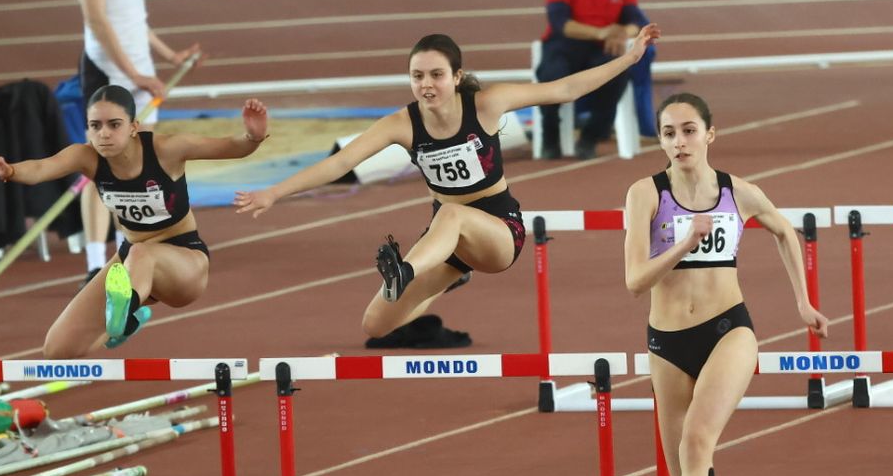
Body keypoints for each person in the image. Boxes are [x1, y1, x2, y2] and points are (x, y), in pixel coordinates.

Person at [234, 27, 659, 340]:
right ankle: (443, 274)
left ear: (456, 77)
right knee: (376, 326)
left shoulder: (487, 104)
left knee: (455, 212)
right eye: (417, 76)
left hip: (497, 228)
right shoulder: (403, 123)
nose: (426, 85)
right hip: (445, 237)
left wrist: (629, 59)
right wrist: (274, 192)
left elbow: (564, 89)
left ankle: (409, 270)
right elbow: (341, 162)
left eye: (436, 75)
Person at [624, 93, 828, 476]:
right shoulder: (646, 194)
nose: (679, 142)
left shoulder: (739, 193)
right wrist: (682, 243)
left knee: (697, 444)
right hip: (667, 343)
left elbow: (786, 231)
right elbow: (634, 280)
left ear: (710, 134)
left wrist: (802, 301)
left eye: (689, 131)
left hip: (727, 331)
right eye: (668, 133)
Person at [0, 87, 268, 356]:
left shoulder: (167, 149)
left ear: (133, 126)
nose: (103, 134)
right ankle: (129, 315)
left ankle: (124, 313)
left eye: (114, 124)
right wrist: (10, 170)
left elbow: (229, 147)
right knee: (57, 350)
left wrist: (253, 136)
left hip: (184, 260)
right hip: (130, 262)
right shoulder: (86, 156)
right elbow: (42, 167)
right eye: (95, 126)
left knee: (142, 253)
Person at [72, 0, 202, 280]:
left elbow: (134, 15)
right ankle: (95, 263)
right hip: (107, 70)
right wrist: (135, 76)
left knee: (136, 166)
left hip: (140, 69)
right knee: (102, 166)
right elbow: (97, 19)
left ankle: (127, 253)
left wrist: (166, 56)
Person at [535, 0, 653, 160]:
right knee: (551, 74)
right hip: (565, 45)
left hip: (603, 49)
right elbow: (560, 23)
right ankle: (550, 135)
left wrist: (622, 33)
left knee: (618, 74)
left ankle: (590, 136)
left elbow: (635, 21)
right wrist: (602, 32)